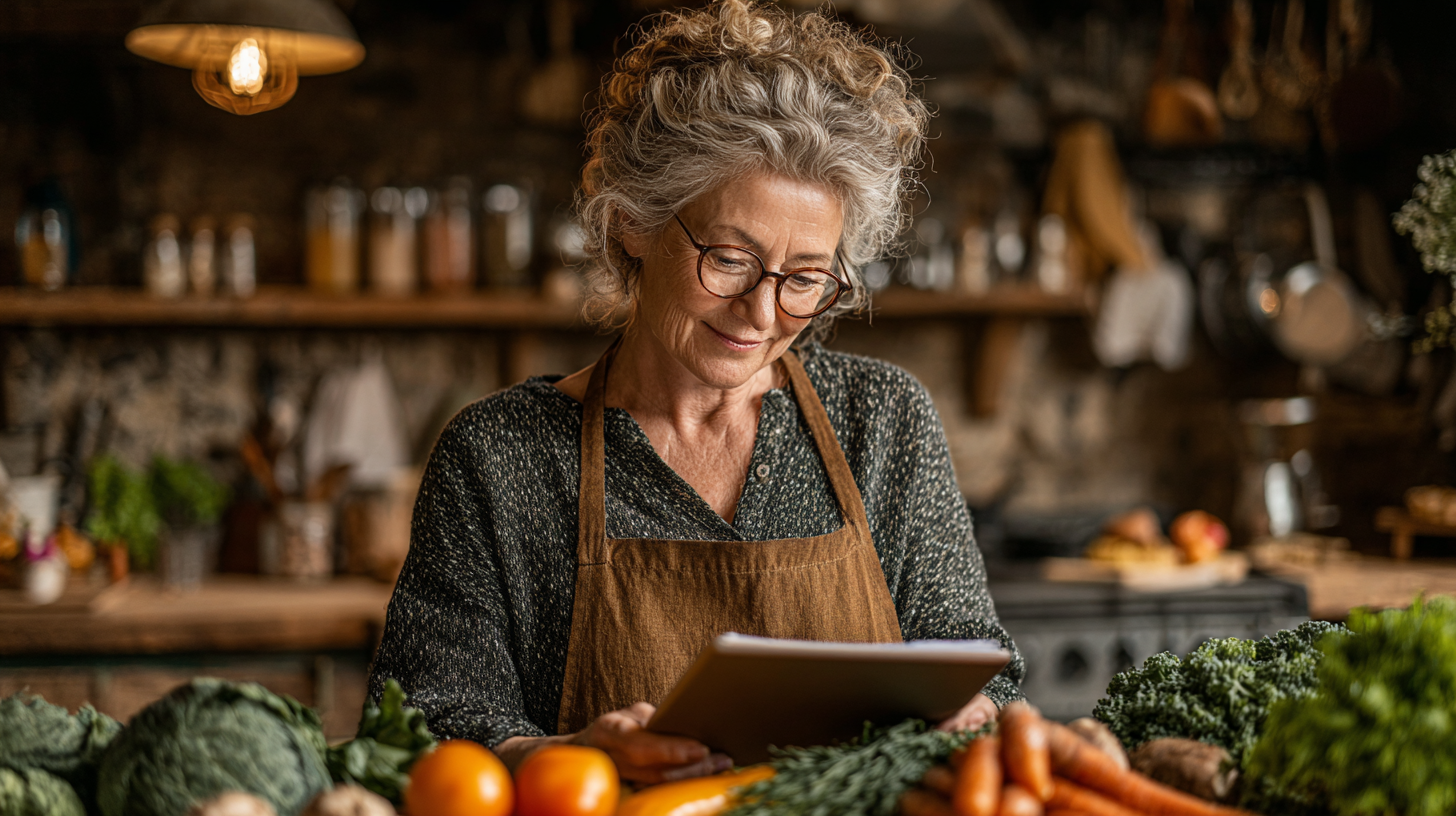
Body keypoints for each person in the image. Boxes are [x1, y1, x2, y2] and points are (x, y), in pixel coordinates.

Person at [368, 0, 1025, 783]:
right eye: (729, 259)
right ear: (633, 226)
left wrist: (973, 711)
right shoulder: (501, 457)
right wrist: (566, 756)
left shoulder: (882, 421)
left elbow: (981, 669)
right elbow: (420, 732)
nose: (761, 311)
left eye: (805, 279)